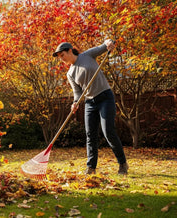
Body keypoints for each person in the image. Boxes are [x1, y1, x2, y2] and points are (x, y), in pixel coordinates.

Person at [52, 40, 128, 175]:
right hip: (90, 103)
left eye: (62, 55)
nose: (61, 59)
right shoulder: (70, 73)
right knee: (90, 135)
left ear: (70, 50)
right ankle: (91, 167)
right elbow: (77, 92)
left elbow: (104, 46)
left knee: (108, 132)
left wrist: (109, 42)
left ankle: (122, 164)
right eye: (59, 57)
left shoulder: (87, 55)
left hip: (105, 97)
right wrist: (75, 102)